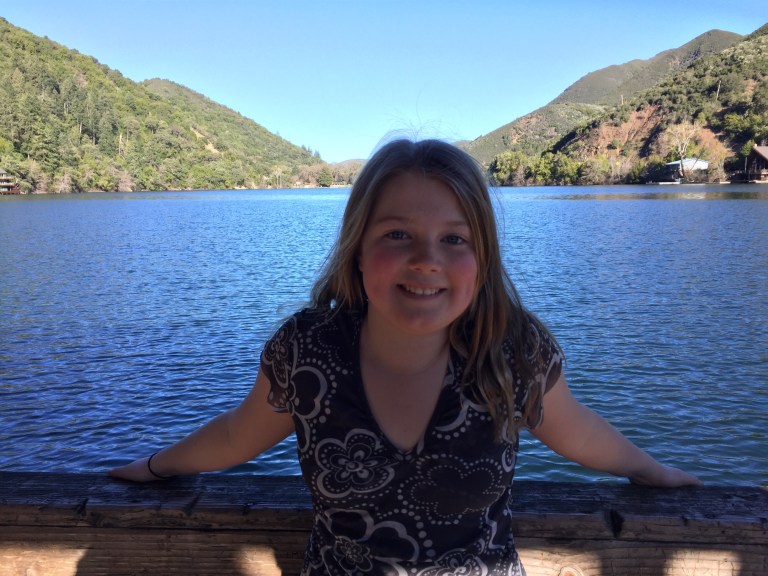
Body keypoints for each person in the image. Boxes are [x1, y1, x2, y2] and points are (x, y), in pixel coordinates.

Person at [109, 138, 700, 575]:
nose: (426, 260)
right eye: (397, 235)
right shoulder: (307, 351)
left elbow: (579, 430)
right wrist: (158, 466)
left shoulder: (512, 350)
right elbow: (239, 434)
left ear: (482, 261)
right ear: (357, 250)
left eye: (454, 239)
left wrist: (650, 470)